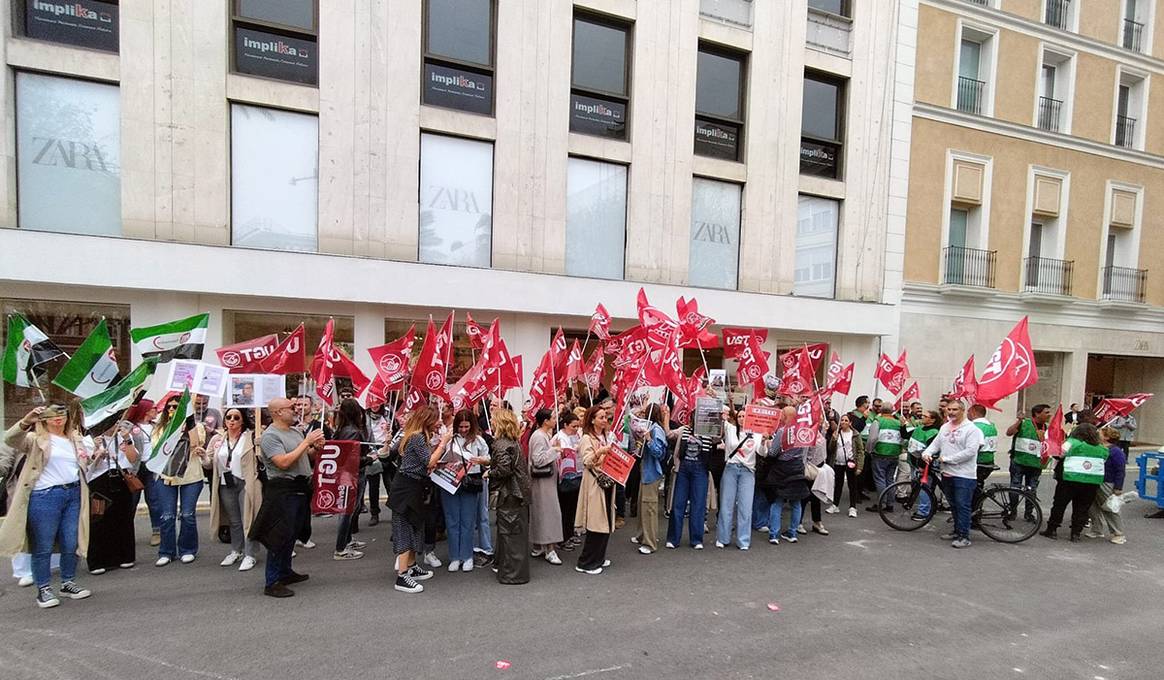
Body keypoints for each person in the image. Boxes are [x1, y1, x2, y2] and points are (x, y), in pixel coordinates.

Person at [0, 405, 93, 608]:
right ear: (44, 419)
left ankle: (67, 582)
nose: (58, 419)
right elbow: (11, 439)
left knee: (71, 541)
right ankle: (43, 588)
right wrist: (26, 420)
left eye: (62, 415)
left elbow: (83, 464)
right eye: (52, 416)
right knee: (43, 545)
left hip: (73, 493)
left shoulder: (75, 439)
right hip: (45, 495)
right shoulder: (35, 439)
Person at [252, 397, 325, 598]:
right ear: (277, 412)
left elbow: (303, 456)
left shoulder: (294, 431)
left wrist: (315, 447)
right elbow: (283, 462)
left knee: (292, 533)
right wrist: (307, 442)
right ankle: (272, 581)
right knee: (279, 536)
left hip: (300, 487)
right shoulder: (270, 436)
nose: (295, 410)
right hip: (282, 489)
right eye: (290, 407)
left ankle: (285, 571)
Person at [387, 406, 446, 594]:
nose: (439, 423)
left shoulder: (416, 436)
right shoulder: (418, 437)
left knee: (414, 526)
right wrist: (444, 443)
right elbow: (428, 461)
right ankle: (402, 576)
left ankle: (411, 567)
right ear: (428, 420)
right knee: (405, 527)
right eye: (436, 419)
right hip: (407, 489)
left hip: (412, 486)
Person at [154, 394, 208, 567]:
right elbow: (158, 448)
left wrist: (189, 423)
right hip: (167, 476)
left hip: (190, 475)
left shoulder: (196, 426)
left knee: (187, 514)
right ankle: (166, 551)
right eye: (169, 406)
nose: (171, 409)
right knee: (167, 516)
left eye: (176, 407)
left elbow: (196, 444)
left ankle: (187, 549)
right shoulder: (160, 428)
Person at [920, 400, 983, 549]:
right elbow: (936, 444)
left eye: (955, 409)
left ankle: (964, 536)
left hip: (964, 475)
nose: (951, 412)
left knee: (963, 506)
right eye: (949, 409)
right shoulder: (944, 427)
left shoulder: (972, 429)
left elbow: (970, 451)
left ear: (962, 410)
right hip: (947, 473)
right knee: (954, 505)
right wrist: (927, 453)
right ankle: (957, 531)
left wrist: (948, 459)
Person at [205, 407, 261, 572]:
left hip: (245, 481)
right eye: (229, 417)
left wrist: (260, 444)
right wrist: (203, 456)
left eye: (236, 417)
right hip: (225, 483)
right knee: (234, 521)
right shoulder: (218, 439)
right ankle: (236, 550)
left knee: (248, 519)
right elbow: (209, 463)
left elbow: (262, 458)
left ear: (242, 420)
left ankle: (250, 554)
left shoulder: (250, 437)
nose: (232, 420)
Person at [85, 420, 143, 574]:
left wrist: (127, 438)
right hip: (99, 481)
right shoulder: (91, 439)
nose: (113, 426)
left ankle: (125, 556)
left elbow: (133, 458)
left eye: (116, 422)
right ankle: (98, 560)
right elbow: (87, 464)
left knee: (124, 518)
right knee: (99, 519)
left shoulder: (122, 438)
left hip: (121, 479)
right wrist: (97, 452)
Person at [1041, 423, 1110, 542]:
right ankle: (1076, 533)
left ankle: (1052, 529)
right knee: (1082, 508)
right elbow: (1103, 459)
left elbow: (1059, 453)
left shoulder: (1072, 442)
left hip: (1069, 479)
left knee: (1059, 505)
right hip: (1091, 482)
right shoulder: (1102, 448)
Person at [441, 409, 490, 572]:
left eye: (466, 426)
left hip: (471, 481)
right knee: (452, 520)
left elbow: (489, 459)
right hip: (450, 481)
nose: (463, 429)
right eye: (460, 426)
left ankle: (467, 555)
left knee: (468, 521)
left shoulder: (479, 440)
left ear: (472, 425)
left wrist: (482, 460)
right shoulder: (449, 438)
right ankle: (455, 556)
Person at [489, 408, 531, 585]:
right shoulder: (514, 442)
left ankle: (511, 574)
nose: (491, 422)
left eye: (493, 420)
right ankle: (514, 571)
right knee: (516, 534)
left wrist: (489, 472)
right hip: (519, 493)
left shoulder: (500, 444)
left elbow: (504, 469)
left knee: (509, 533)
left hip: (510, 494)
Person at [575, 405, 616, 575]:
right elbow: (587, 461)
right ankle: (586, 562)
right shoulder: (586, 438)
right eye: (600, 417)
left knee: (605, 520)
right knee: (596, 523)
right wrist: (601, 452)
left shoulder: (606, 436)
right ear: (592, 420)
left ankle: (598, 557)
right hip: (594, 484)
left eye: (605, 417)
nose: (604, 420)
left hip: (606, 482)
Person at [760, 407, 810, 545]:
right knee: (796, 502)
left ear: (786, 416)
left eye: (782, 413)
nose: (780, 415)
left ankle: (774, 534)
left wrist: (769, 444)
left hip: (782, 469)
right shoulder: (801, 431)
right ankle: (792, 532)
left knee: (777, 501)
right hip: (798, 467)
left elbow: (773, 453)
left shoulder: (782, 432)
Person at [330, 398, 372, 561]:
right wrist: (369, 458)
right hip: (353, 474)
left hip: (346, 474)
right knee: (348, 511)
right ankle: (341, 548)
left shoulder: (342, 429)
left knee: (349, 509)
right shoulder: (353, 431)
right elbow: (352, 458)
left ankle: (346, 541)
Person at [716, 406, 760, 550]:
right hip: (731, 469)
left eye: (744, 416)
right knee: (726, 505)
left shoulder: (757, 434)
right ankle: (723, 537)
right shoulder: (729, 429)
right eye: (740, 416)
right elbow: (720, 411)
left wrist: (767, 441)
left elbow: (763, 452)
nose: (742, 419)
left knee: (745, 507)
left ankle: (743, 540)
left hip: (748, 471)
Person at [666, 424, 716, 550]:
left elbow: (720, 436)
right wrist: (666, 417)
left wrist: (718, 419)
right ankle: (673, 539)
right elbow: (669, 434)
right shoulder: (685, 429)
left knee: (698, 504)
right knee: (678, 503)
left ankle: (696, 539)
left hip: (701, 469)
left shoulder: (709, 430)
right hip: (683, 468)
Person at [124, 399, 162, 547]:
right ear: (145, 410)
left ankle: (157, 531)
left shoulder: (157, 426)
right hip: (135, 467)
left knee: (154, 501)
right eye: (153, 408)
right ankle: (126, 533)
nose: (156, 410)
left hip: (151, 466)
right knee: (131, 502)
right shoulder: (131, 426)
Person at [528, 409, 563, 565]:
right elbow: (538, 460)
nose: (556, 420)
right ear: (545, 421)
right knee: (548, 513)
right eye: (553, 418)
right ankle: (549, 549)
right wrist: (554, 450)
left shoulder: (542, 435)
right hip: (542, 481)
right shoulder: (539, 436)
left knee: (542, 513)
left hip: (545, 481)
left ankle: (539, 545)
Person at [633, 405, 669, 554]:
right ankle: (642, 535)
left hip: (652, 473)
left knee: (649, 508)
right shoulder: (650, 427)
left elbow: (659, 453)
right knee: (643, 505)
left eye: (644, 412)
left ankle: (650, 542)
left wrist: (648, 440)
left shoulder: (656, 430)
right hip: (646, 471)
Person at [1005, 404, 1051, 521]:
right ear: (1037, 413)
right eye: (1046, 412)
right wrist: (1018, 421)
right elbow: (1009, 432)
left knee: (1032, 489)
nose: (1049, 414)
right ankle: (1012, 510)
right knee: (1015, 487)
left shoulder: (1048, 428)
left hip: (1036, 464)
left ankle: (1029, 513)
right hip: (1019, 462)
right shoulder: (1024, 423)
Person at [1085, 427, 1127, 544]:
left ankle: (1118, 533)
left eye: (1100, 433)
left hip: (1107, 482)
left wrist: (1118, 487)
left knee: (1110, 507)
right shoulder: (1098, 448)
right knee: (1092, 506)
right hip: (1095, 480)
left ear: (1107, 437)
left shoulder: (1116, 451)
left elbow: (1120, 470)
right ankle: (1097, 529)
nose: (1097, 434)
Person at [553, 412, 584, 552]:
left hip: (576, 474)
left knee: (572, 508)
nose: (576, 429)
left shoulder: (576, 435)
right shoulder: (560, 437)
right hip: (564, 478)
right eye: (573, 426)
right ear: (565, 425)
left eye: (578, 426)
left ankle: (570, 534)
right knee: (565, 509)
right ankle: (562, 538)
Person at [865, 405, 904, 512]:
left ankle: (880, 504)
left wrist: (869, 450)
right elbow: (902, 438)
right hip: (894, 454)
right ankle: (890, 504)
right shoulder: (898, 422)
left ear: (881, 411)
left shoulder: (878, 421)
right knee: (890, 479)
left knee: (880, 479)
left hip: (880, 453)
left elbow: (872, 438)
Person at [827, 413, 864, 518]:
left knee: (852, 485)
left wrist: (860, 466)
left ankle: (852, 507)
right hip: (838, 462)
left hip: (851, 463)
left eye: (846, 420)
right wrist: (833, 439)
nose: (843, 422)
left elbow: (861, 451)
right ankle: (835, 505)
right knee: (838, 484)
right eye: (842, 420)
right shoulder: (837, 433)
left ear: (850, 423)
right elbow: (831, 449)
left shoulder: (855, 434)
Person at [364, 401, 392, 526]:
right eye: (372, 402)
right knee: (373, 486)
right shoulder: (364, 417)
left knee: (390, 483)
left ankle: (396, 512)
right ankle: (374, 513)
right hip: (371, 451)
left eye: (377, 403)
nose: (374, 405)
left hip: (386, 450)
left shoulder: (387, 414)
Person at [968, 404, 998, 499]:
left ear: (973, 412)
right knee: (978, 485)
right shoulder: (991, 426)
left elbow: (973, 447)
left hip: (978, 461)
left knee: (971, 487)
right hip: (989, 460)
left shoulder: (974, 427)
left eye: (968, 412)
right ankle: (977, 506)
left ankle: (973, 508)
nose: (967, 414)